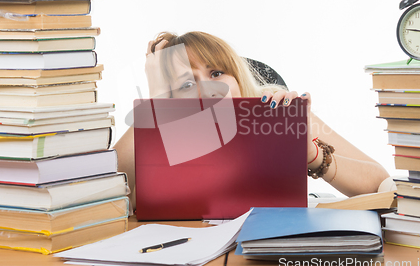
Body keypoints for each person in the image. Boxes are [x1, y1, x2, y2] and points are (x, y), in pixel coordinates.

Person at [114, 31, 391, 208]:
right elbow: (120, 204)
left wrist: (312, 154)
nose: (207, 89)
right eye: (187, 85)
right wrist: (156, 104)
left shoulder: (275, 106)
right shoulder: (160, 122)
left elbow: (379, 184)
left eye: (216, 73)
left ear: (236, 75)